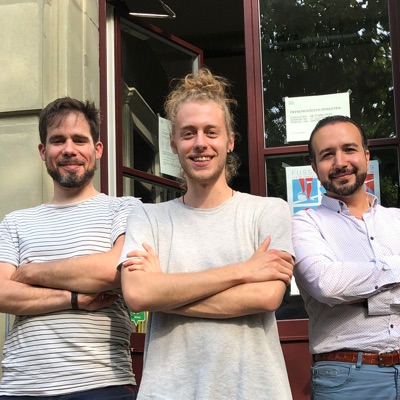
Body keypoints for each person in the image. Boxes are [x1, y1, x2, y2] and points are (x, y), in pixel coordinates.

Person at [118, 68, 295, 399]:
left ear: (230, 141)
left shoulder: (269, 211)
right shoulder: (147, 216)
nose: (200, 143)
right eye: (188, 133)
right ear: (173, 144)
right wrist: (244, 271)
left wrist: (164, 292)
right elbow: (139, 295)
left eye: (211, 132)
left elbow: (266, 297)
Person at [0, 97, 141, 399]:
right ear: (43, 151)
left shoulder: (125, 209)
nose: (69, 149)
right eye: (57, 140)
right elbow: (1, 293)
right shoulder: (15, 222)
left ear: (97, 149)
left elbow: (113, 270)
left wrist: (31, 273)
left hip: (101, 383)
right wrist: (74, 298)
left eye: (79, 140)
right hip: (20, 386)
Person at [292, 115, 400, 400]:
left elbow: (339, 287)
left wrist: (363, 297)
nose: (340, 162)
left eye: (349, 149)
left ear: (366, 156)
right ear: (315, 168)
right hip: (347, 377)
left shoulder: (397, 220)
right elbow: (327, 285)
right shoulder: (304, 224)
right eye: (327, 155)